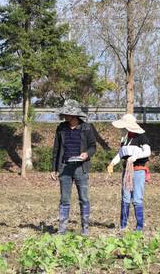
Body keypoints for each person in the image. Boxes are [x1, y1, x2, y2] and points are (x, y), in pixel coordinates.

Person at [50, 100, 97, 236]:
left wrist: (86, 154)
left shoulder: (87, 128)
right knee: (64, 199)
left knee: (84, 198)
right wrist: (54, 168)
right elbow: (56, 149)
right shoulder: (61, 128)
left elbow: (93, 146)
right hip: (65, 167)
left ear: (74, 114)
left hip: (81, 168)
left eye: (67, 113)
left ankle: (85, 228)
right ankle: (62, 229)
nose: (64, 115)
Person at [107, 114, 151, 231]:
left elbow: (147, 152)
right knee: (125, 198)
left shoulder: (142, 137)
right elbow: (121, 154)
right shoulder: (125, 139)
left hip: (138, 171)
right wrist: (112, 163)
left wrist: (135, 157)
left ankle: (139, 228)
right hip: (127, 172)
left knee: (137, 199)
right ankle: (123, 226)